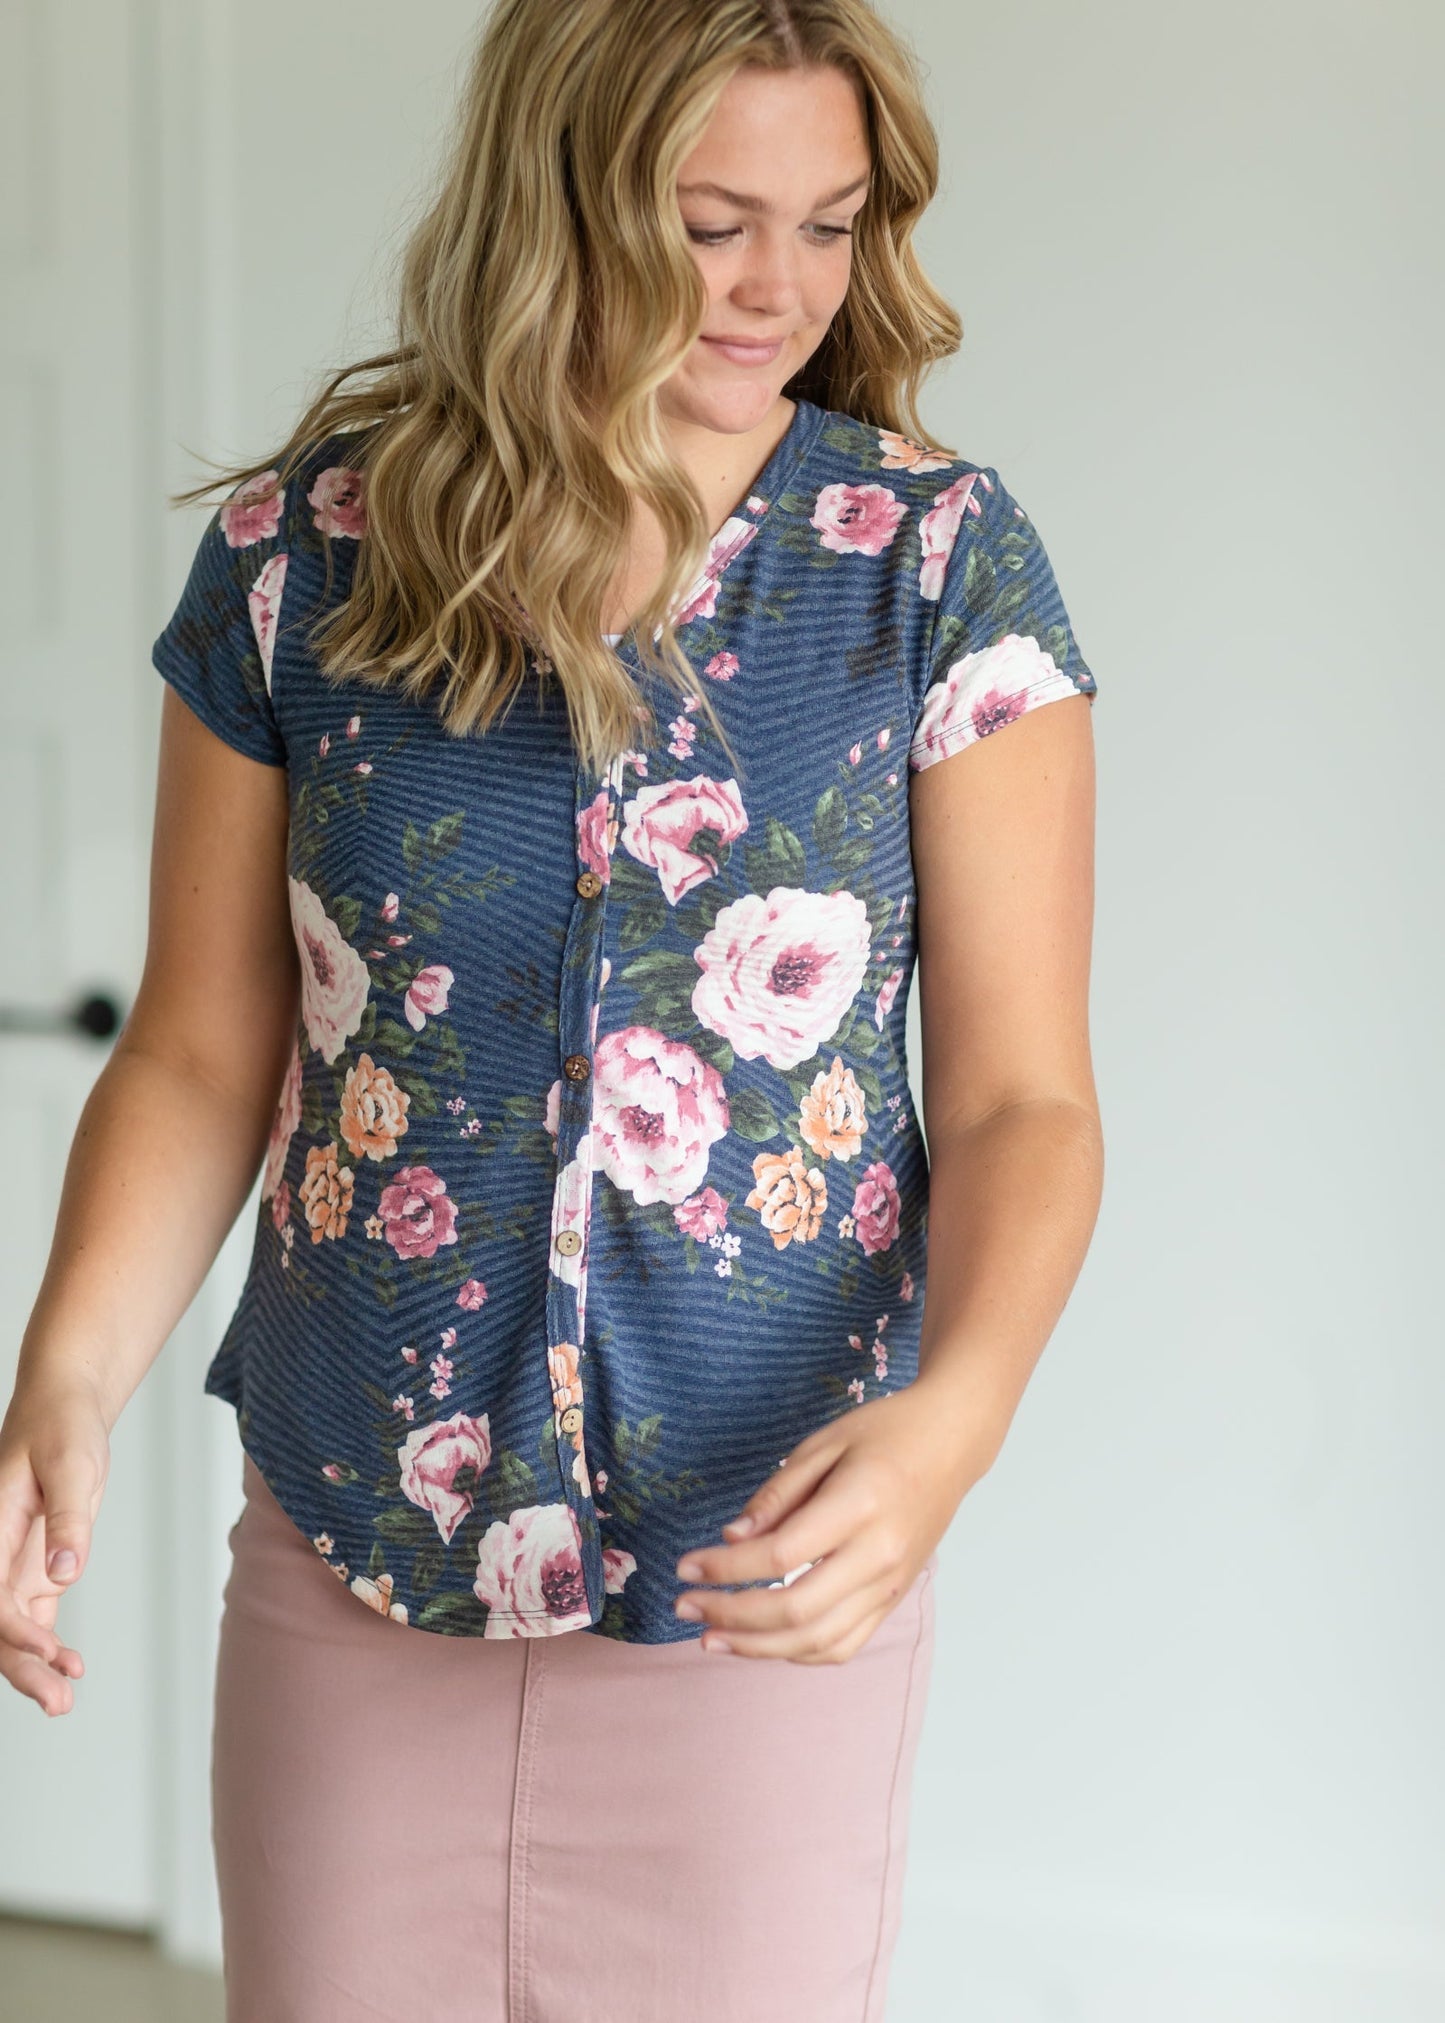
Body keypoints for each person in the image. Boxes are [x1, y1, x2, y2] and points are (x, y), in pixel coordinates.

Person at [0, 1, 1104, 2016]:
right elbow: (198, 1044)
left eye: (834, 223)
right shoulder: (296, 562)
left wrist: (961, 1415)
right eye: (712, 223)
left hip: (755, 1603)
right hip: (354, 1573)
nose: (782, 287)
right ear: (559, 200)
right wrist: (65, 1376)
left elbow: (1028, 1098)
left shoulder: (936, 573)